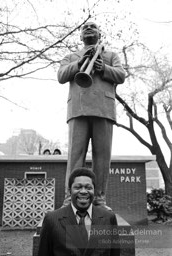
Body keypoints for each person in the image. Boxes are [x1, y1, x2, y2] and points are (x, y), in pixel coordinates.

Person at [57, 21, 125, 208]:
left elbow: (121, 75)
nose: (88, 29)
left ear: (99, 34)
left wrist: (103, 68)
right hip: (78, 110)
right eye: (84, 28)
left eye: (93, 27)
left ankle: (99, 199)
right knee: (75, 156)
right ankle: (69, 199)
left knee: (102, 157)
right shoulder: (71, 56)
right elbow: (61, 76)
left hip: (103, 109)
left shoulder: (110, 55)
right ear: (80, 36)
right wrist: (80, 63)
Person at [38, 167, 120, 256]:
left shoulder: (109, 218)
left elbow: (114, 253)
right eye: (78, 187)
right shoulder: (51, 219)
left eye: (88, 187)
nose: (84, 191)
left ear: (94, 191)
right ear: (70, 191)